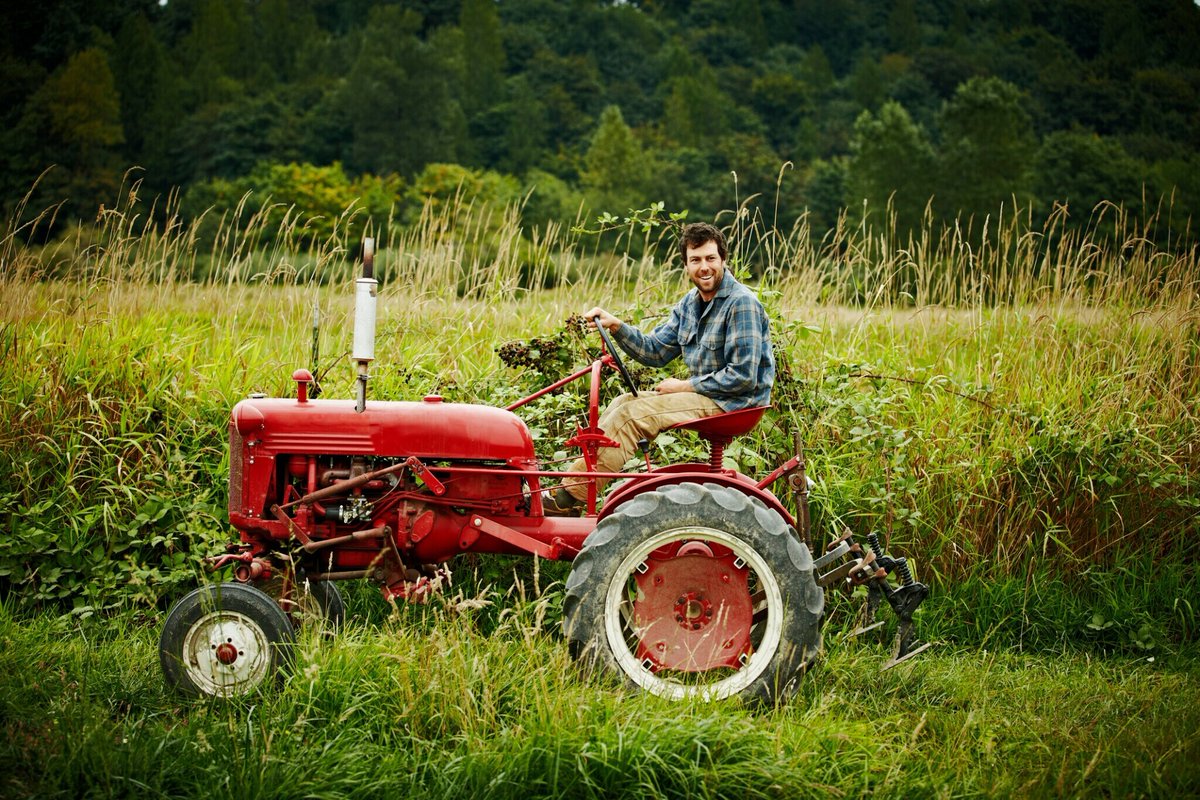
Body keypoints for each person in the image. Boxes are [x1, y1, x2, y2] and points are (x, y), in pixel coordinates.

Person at [547, 221, 775, 513]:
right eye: (695, 260)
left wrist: (683, 386)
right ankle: (574, 488)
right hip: (710, 396)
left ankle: (567, 499)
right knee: (623, 402)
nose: (704, 267)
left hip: (736, 403)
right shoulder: (689, 305)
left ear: (723, 260)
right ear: (686, 265)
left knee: (631, 416)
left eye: (710, 258)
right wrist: (615, 325)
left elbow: (743, 377)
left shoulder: (741, 303)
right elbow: (654, 351)